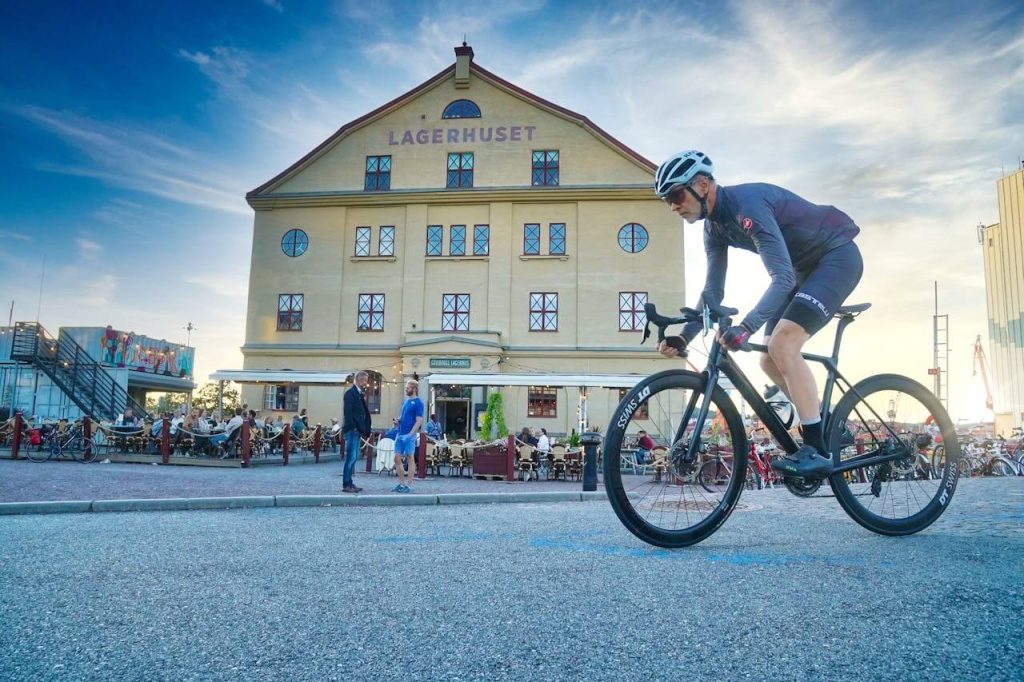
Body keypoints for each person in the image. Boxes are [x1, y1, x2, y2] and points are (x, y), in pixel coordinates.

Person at [654, 150, 862, 478]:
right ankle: (830, 425)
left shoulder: (747, 206)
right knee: (767, 359)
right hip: (802, 270)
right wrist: (684, 335)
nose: (673, 205)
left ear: (703, 185)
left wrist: (747, 327)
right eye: (667, 200)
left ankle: (816, 450)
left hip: (835, 257)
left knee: (783, 345)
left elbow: (782, 279)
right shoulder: (713, 229)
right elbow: (712, 293)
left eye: (677, 195)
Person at [341, 371, 371, 493]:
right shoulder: (350, 394)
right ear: (359, 380)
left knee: (353, 458)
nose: (366, 383)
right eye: (365, 380)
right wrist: (353, 426)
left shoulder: (358, 393)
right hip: (352, 430)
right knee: (351, 457)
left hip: (357, 430)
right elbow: (348, 412)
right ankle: (346, 484)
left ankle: (349, 482)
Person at [393, 379, 424, 493]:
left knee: (410, 458)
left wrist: (411, 434)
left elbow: (419, 421)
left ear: (414, 389)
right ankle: (401, 484)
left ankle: (409, 485)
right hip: (400, 434)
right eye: (406, 388)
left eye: (408, 388)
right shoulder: (406, 402)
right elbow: (402, 416)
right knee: (397, 458)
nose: (406, 389)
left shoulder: (418, 403)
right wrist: (397, 420)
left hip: (409, 435)